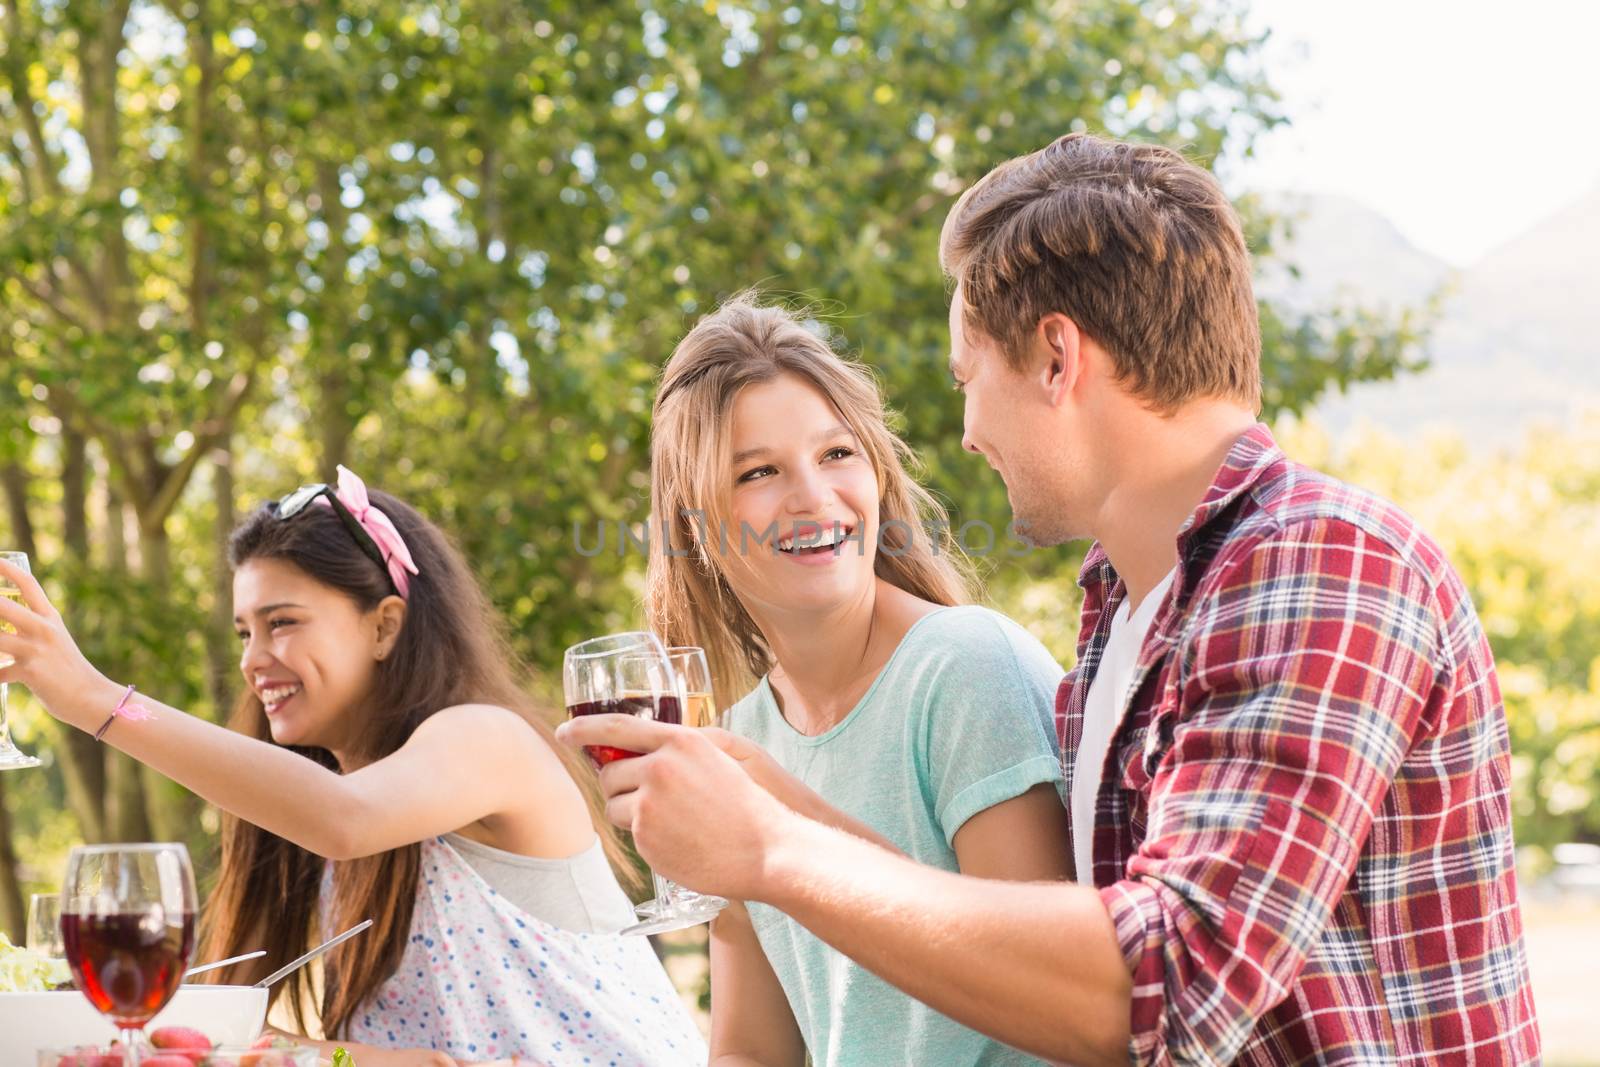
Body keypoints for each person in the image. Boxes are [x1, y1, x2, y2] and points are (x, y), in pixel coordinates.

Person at [559, 133, 1543, 1065]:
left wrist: (774, 847)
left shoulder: (1319, 559)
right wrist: (776, 812)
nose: (966, 427)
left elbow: (1164, 982)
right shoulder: (1128, 615)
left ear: (1056, 358)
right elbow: (1025, 942)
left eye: (966, 375)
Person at [0, 467, 705, 1067]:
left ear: (384, 625)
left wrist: (96, 699)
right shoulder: (316, 811)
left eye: (283, 622)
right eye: (245, 631)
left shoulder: (486, 741)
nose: (252, 659)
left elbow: (346, 819)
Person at [643, 294, 1073, 1066]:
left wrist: (781, 834)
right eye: (760, 471)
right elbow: (751, 1049)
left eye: (836, 454)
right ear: (695, 527)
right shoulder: (739, 738)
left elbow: (1057, 1005)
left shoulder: (966, 669)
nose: (812, 496)